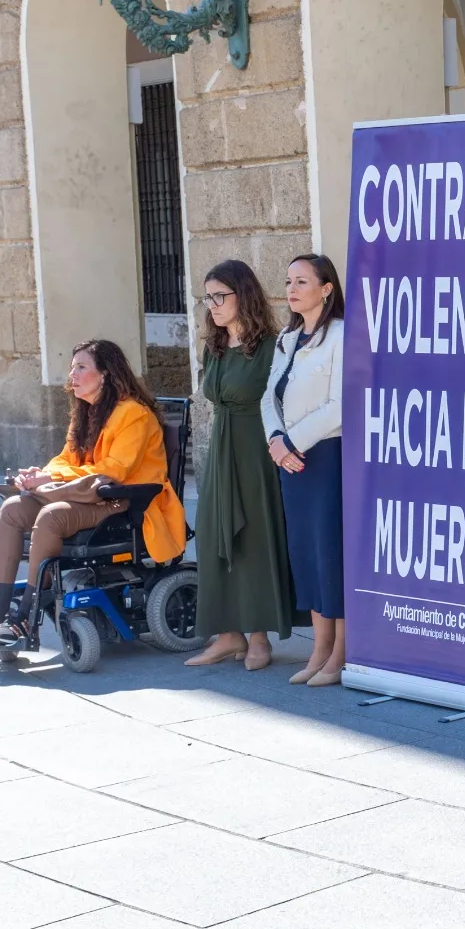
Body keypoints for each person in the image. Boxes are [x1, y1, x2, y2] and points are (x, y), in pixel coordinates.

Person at [0, 340, 185, 649]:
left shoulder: (133, 414)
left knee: (50, 516)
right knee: (13, 508)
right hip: (85, 496)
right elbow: (66, 460)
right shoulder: (87, 411)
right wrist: (40, 474)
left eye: (81, 367)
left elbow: (114, 470)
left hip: (122, 501)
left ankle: (23, 617)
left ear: (106, 374)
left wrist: (51, 478)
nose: (72, 375)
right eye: (72, 368)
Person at [186, 260, 296, 669]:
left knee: (253, 538)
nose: (212, 305)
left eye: (220, 296)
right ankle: (227, 634)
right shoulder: (213, 345)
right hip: (221, 447)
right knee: (214, 535)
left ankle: (259, 637)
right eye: (208, 297)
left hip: (255, 447)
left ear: (242, 295)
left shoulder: (271, 344)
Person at [264, 254, 346, 687]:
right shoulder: (287, 338)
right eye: (289, 280)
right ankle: (319, 647)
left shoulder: (342, 335)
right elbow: (268, 398)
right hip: (291, 459)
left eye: (302, 281)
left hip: (326, 457)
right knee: (305, 554)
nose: (292, 289)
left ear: (326, 288)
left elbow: (341, 403)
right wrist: (277, 442)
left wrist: (294, 441)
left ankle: (340, 653)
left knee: (330, 551)